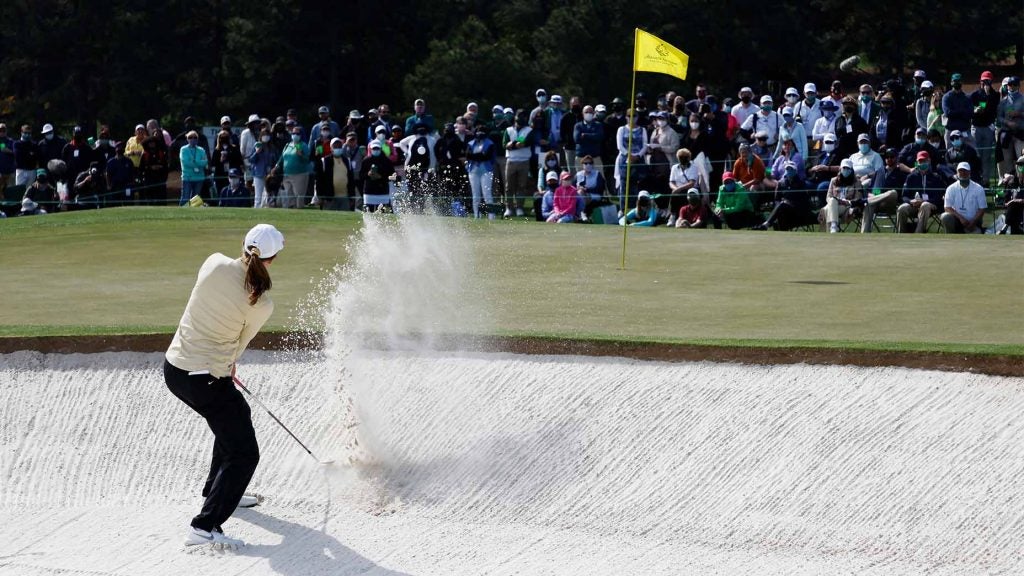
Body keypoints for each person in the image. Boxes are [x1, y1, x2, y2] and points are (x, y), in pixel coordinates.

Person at [165, 223, 284, 549]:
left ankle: (217, 488)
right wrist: (227, 366)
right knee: (245, 453)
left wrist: (223, 366)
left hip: (174, 368)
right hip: (205, 380)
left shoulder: (213, 262)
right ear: (272, 259)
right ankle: (205, 526)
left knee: (235, 414)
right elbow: (239, 344)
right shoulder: (261, 304)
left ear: (244, 246)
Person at [752, 161, 816, 231]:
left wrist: (786, 202)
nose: (789, 171)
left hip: (799, 211)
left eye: (791, 169)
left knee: (782, 205)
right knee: (781, 211)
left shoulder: (801, 183)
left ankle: (766, 224)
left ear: (795, 171)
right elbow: (777, 199)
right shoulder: (781, 183)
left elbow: (803, 200)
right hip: (786, 210)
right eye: (787, 169)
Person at [896, 150, 945, 233]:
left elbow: (939, 196)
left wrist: (925, 201)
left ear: (929, 161)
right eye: (920, 161)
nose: (922, 163)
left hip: (930, 206)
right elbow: (904, 196)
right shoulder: (911, 177)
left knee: (925, 205)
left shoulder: (936, 177)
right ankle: (901, 234)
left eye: (924, 161)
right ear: (917, 162)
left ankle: (918, 234)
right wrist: (911, 201)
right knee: (902, 208)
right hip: (914, 205)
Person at [859, 148, 903, 232]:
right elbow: (872, 188)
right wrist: (871, 194)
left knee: (893, 192)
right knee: (869, 203)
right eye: (887, 157)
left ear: (896, 158)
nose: (889, 159)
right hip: (876, 202)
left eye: (892, 156)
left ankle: (872, 199)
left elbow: (899, 192)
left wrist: (876, 195)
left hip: (890, 203)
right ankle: (864, 234)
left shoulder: (900, 173)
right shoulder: (880, 172)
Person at [503, 110, 536, 217]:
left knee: (521, 186)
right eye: (519, 116)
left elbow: (524, 143)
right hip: (511, 161)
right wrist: (513, 144)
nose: (520, 118)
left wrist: (513, 144)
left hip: (524, 161)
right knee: (509, 187)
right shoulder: (508, 130)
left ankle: (519, 208)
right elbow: (504, 144)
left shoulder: (529, 130)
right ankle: (509, 208)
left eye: (523, 116)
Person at [970, 71, 1001, 186]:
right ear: (980, 81)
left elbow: (993, 110)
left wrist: (988, 96)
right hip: (976, 127)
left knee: (986, 156)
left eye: (987, 81)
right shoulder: (974, 95)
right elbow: (970, 111)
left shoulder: (995, 95)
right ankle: (976, 178)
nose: (985, 83)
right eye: (983, 81)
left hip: (988, 127)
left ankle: (986, 180)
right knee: (976, 154)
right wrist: (975, 110)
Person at [820, 158, 864, 233]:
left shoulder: (857, 182)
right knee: (830, 203)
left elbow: (858, 198)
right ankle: (833, 227)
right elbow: (828, 197)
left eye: (848, 168)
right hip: (834, 204)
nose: (845, 170)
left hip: (846, 206)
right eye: (844, 168)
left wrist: (845, 202)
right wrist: (834, 201)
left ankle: (832, 227)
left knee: (826, 209)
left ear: (851, 169)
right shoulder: (833, 180)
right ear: (840, 169)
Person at [940, 162, 986, 233]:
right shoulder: (951, 188)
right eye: (960, 170)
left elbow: (982, 209)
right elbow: (947, 207)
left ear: (969, 172)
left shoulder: (978, 188)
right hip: (957, 220)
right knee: (945, 216)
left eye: (965, 170)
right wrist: (961, 218)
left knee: (976, 234)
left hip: (974, 222)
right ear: (957, 172)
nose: (963, 173)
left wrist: (973, 223)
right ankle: (950, 238)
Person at [273, 126, 310, 209]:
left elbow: (307, 160)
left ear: (301, 135)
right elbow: (282, 157)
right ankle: (291, 212)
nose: (295, 135)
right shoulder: (287, 145)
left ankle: (300, 213)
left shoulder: (303, 145)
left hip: (299, 175)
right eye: (293, 133)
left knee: (299, 196)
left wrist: (301, 155)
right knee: (289, 196)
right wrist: (276, 166)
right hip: (287, 175)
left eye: (297, 133)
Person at [465, 127, 496, 219]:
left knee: (487, 194)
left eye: (482, 131)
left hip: (486, 170)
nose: (480, 133)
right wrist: (480, 155)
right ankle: (477, 215)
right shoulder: (470, 143)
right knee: (475, 195)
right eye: (478, 131)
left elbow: (487, 157)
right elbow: (468, 155)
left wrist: (475, 156)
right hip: (473, 171)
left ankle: (491, 216)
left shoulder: (490, 143)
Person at [997, 77, 1024, 178]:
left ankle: (1021, 181)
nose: (1012, 87)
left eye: (1014, 85)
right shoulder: (1003, 102)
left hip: (1020, 134)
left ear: (1018, 86)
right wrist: (1007, 122)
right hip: (1007, 134)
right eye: (1010, 85)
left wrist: (1019, 114)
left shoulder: (1022, 99)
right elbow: (999, 118)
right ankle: (1010, 183)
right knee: (1007, 161)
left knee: (1021, 158)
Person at [360, 140, 395, 212]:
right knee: (369, 214)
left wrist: (381, 177)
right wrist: (368, 174)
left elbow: (392, 176)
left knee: (384, 214)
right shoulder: (366, 160)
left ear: (380, 149)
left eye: (377, 148)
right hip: (369, 192)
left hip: (383, 192)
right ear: (371, 149)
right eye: (374, 149)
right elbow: (361, 176)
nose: (376, 150)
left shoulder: (386, 161)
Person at [942, 73, 973, 149]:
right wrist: (962, 111)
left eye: (958, 81)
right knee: (950, 156)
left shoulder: (967, 97)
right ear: (951, 83)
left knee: (970, 154)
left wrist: (955, 112)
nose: (956, 83)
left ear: (961, 82)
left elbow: (970, 113)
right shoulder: (946, 97)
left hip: (964, 130)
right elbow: (948, 113)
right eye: (955, 81)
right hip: (950, 130)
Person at [996, 154, 1024, 234]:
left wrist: (1019, 200)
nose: (1021, 167)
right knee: (1013, 206)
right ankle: (1009, 228)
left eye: (1023, 164)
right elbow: (1005, 201)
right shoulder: (1012, 183)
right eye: (1019, 164)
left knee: (1014, 204)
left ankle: (1005, 228)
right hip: (1014, 214)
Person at [179, 131, 209, 206]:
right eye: (190, 137)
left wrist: (195, 161)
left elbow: (205, 162)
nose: (193, 139)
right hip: (187, 178)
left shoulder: (201, 150)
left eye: (195, 137)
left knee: (195, 198)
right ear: (187, 139)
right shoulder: (183, 149)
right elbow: (185, 162)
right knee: (185, 197)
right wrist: (199, 163)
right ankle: (181, 212)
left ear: (197, 139)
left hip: (199, 178)